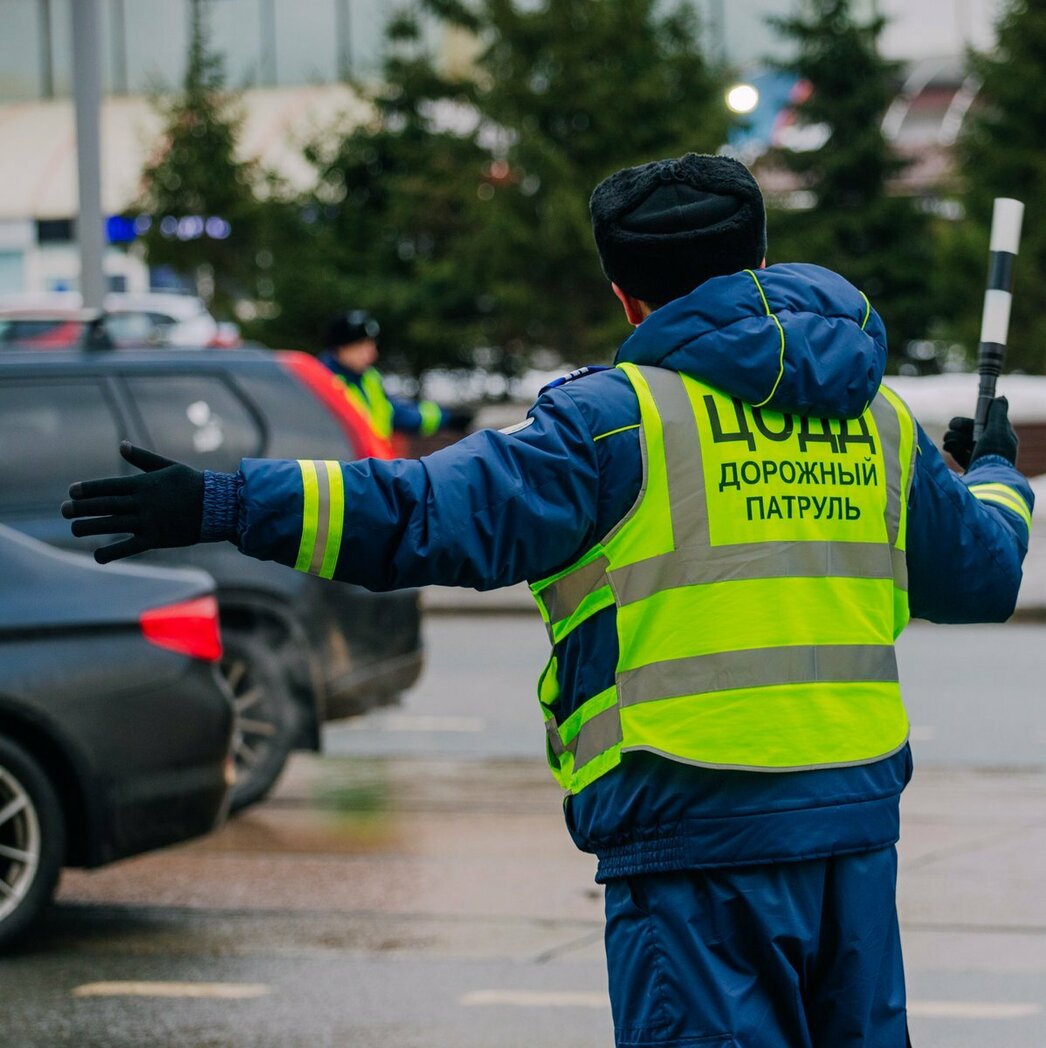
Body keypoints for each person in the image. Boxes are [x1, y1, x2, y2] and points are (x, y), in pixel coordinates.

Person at [63, 153, 1033, 1047]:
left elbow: (423, 512)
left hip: (689, 825)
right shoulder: (874, 421)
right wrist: (993, 470)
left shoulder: (616, 421)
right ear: (758, 261)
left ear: (625, 295)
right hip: (852, 829)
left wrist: (228, 500)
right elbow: (982, 574)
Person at [320, 309, 472, 453]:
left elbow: (395, 413)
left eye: (372, 346)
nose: (372, 354)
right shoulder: (323, 382)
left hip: (371, 465)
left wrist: (447, 418)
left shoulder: (369, 378)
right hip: (344, 470)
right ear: (340, 347)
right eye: (362, 347)